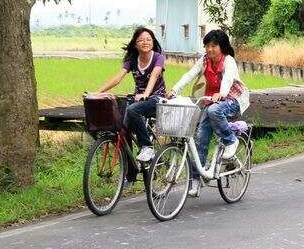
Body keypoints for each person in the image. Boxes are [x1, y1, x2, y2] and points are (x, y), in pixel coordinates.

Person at [169, 28, 250, 196]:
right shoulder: (204, 60)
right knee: (200, 139)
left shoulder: (228, 61)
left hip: (232, 98)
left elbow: (228, 79)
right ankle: (197, 182)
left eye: (214, 46)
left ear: (222, 47)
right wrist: (175, 89)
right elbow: (190, 74)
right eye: (207, 46)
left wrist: (221, 92)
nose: (209, 49)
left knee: (214, 110)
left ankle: (231, 140)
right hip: (211, 100)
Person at [94, 26, 166, 163]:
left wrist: (145, 93)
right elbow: (118, 77)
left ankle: (147, 146)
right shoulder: (132, 60)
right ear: (135, 44)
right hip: (139, 98)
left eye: (148, 40)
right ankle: (130, 173)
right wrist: (98, 92)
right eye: (141, 40)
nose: (145, 42)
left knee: (133, 109)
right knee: (122, 129)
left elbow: (155, 76)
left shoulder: (158, 58)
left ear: (153, 42)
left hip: (157, 97)